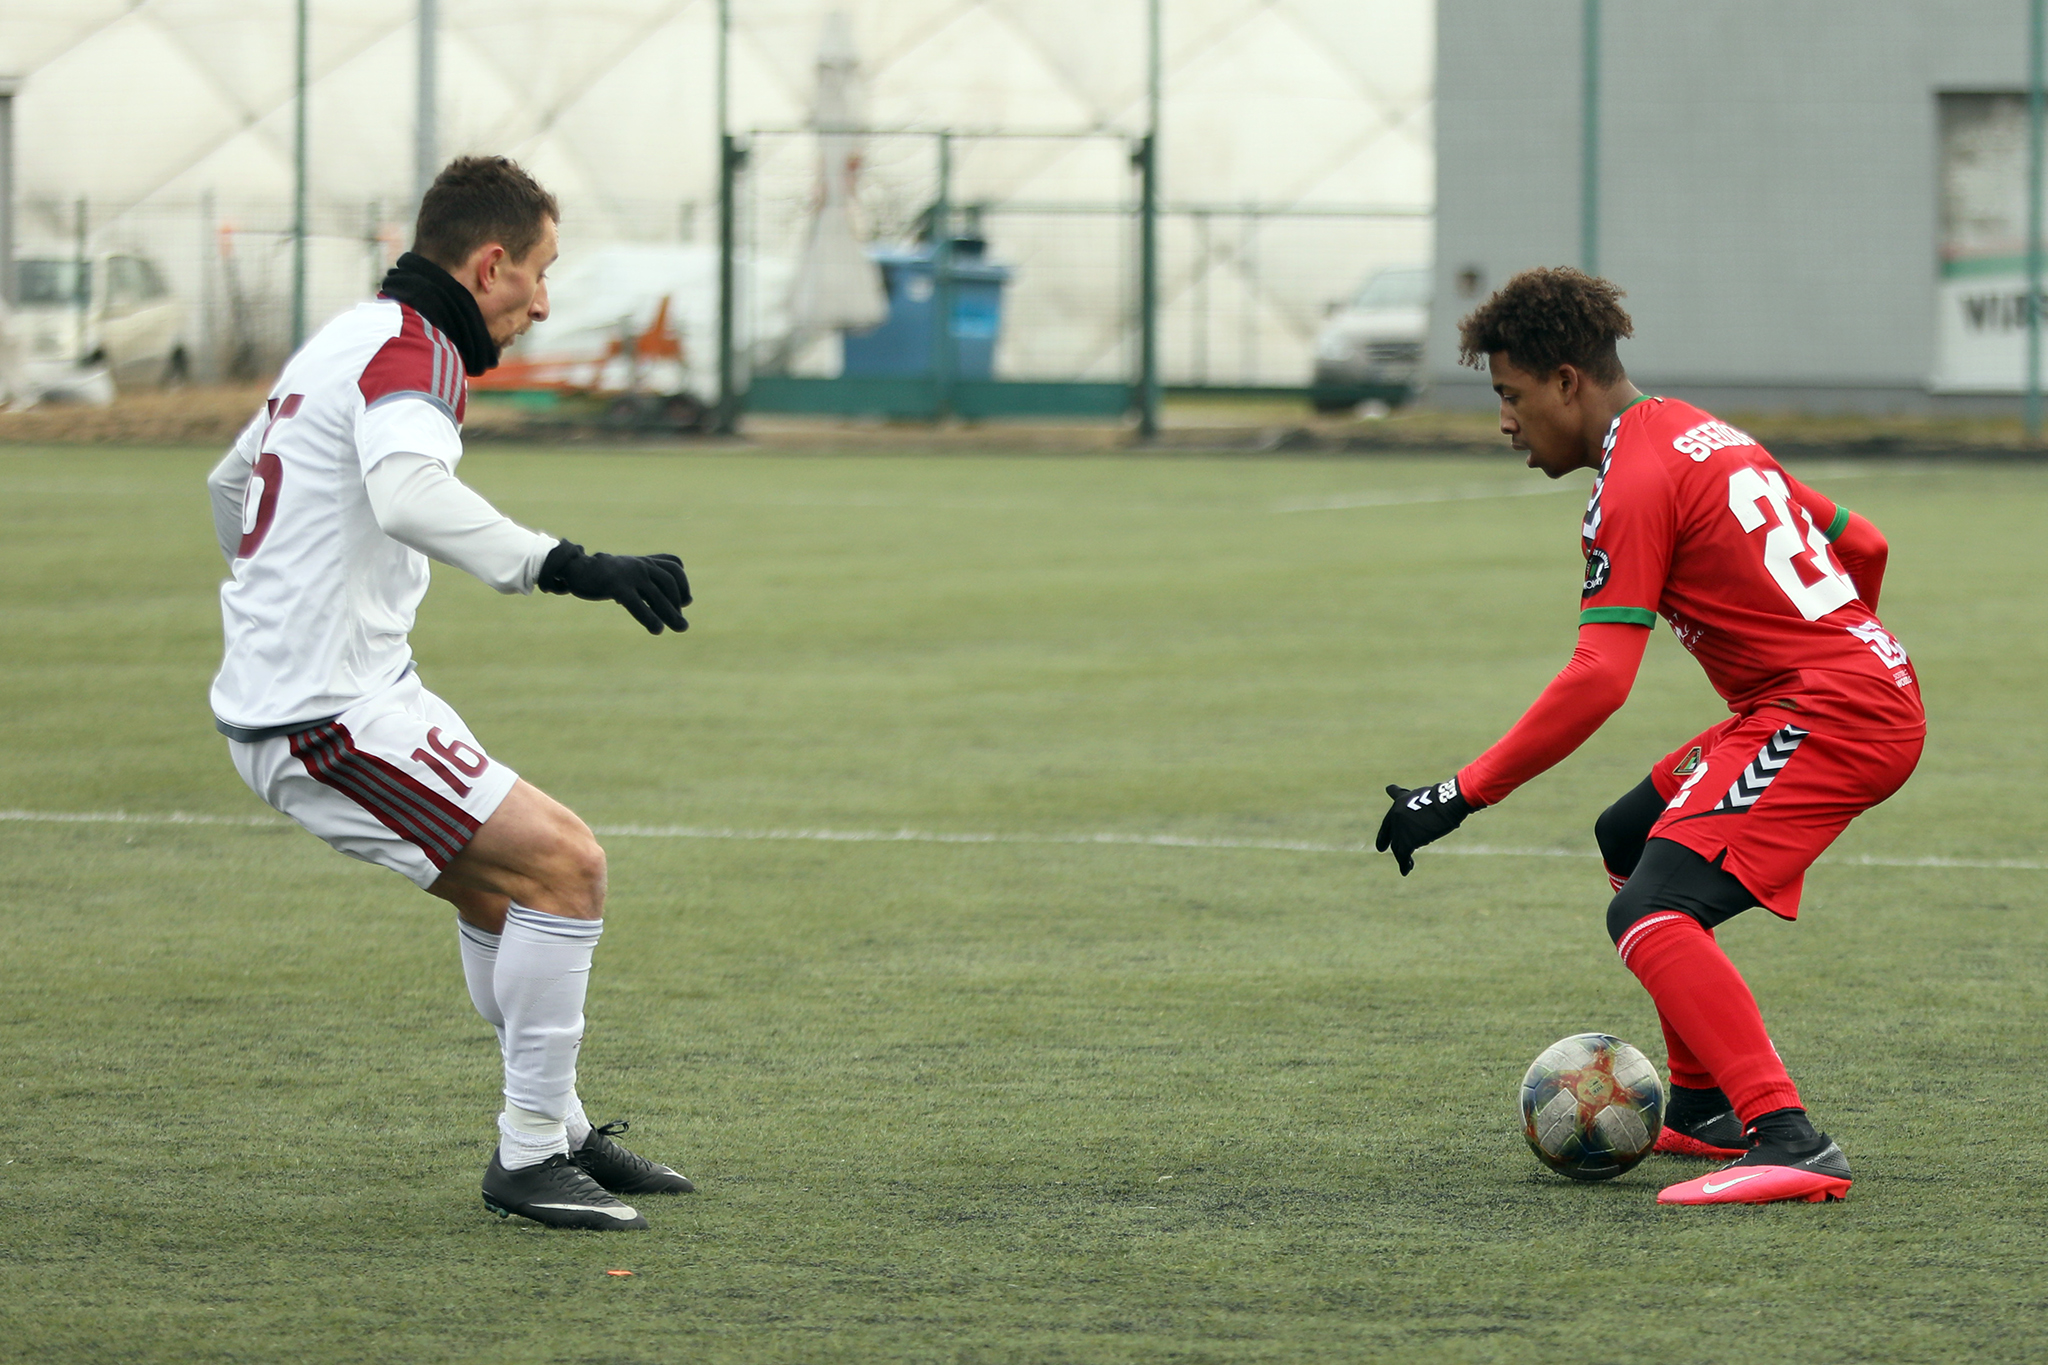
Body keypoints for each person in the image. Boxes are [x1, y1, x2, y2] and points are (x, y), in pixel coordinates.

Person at [206, 156, 696, 1231]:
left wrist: (274, 607)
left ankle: (558, 1127)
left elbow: (231, 481)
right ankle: (528, 1156)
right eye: (540, 272)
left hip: (339, 689)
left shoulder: (352, 334)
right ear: (489, 264)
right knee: (567, 866)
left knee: (504, 894)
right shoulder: (415, 349)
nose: (543, 302)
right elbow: (409, 493)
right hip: (325, 714)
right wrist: (571, 564)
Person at [1374, 267, 1923, 1206]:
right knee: (1628, 836)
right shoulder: (1704, 431)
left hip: (1831, 712)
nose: (1504, 421)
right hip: (1832, 692)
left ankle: (1789, 1137)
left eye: (1510, 394)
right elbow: (1863, 542)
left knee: (1650, 912)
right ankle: (1701, 1106)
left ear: (1565, 381)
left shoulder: (1632, 479)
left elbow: (1599, 678)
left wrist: (1458, 793)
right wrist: (1833, 651)